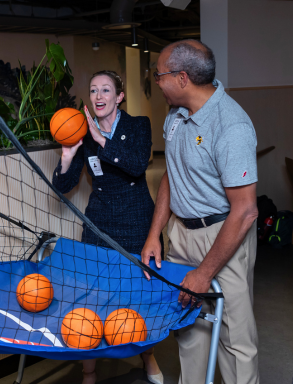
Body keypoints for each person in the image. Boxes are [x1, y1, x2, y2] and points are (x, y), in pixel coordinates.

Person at [141, 39, 259, 384]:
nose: (156, 81)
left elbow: (246, 211)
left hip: (223, 234)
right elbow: (171, 175)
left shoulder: (231, 126)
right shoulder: (175, 114)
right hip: (181, 234)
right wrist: (155, 235)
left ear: (181, 78)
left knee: (235, 339)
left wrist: (204, 273)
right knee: (190, 330)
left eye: (159, 75)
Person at [52, 70, 163, 384]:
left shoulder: (137, 124)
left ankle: (149, 357)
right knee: (93, 296)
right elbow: (63, 186)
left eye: (106, 90)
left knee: (137, 297)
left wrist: (101, 140)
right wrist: (67, 154)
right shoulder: (80, 132)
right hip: (98, 224)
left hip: (137, 221)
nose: (98, 97)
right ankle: (89, 372)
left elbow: (138, 163)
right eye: (93, 91)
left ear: (119, 97)